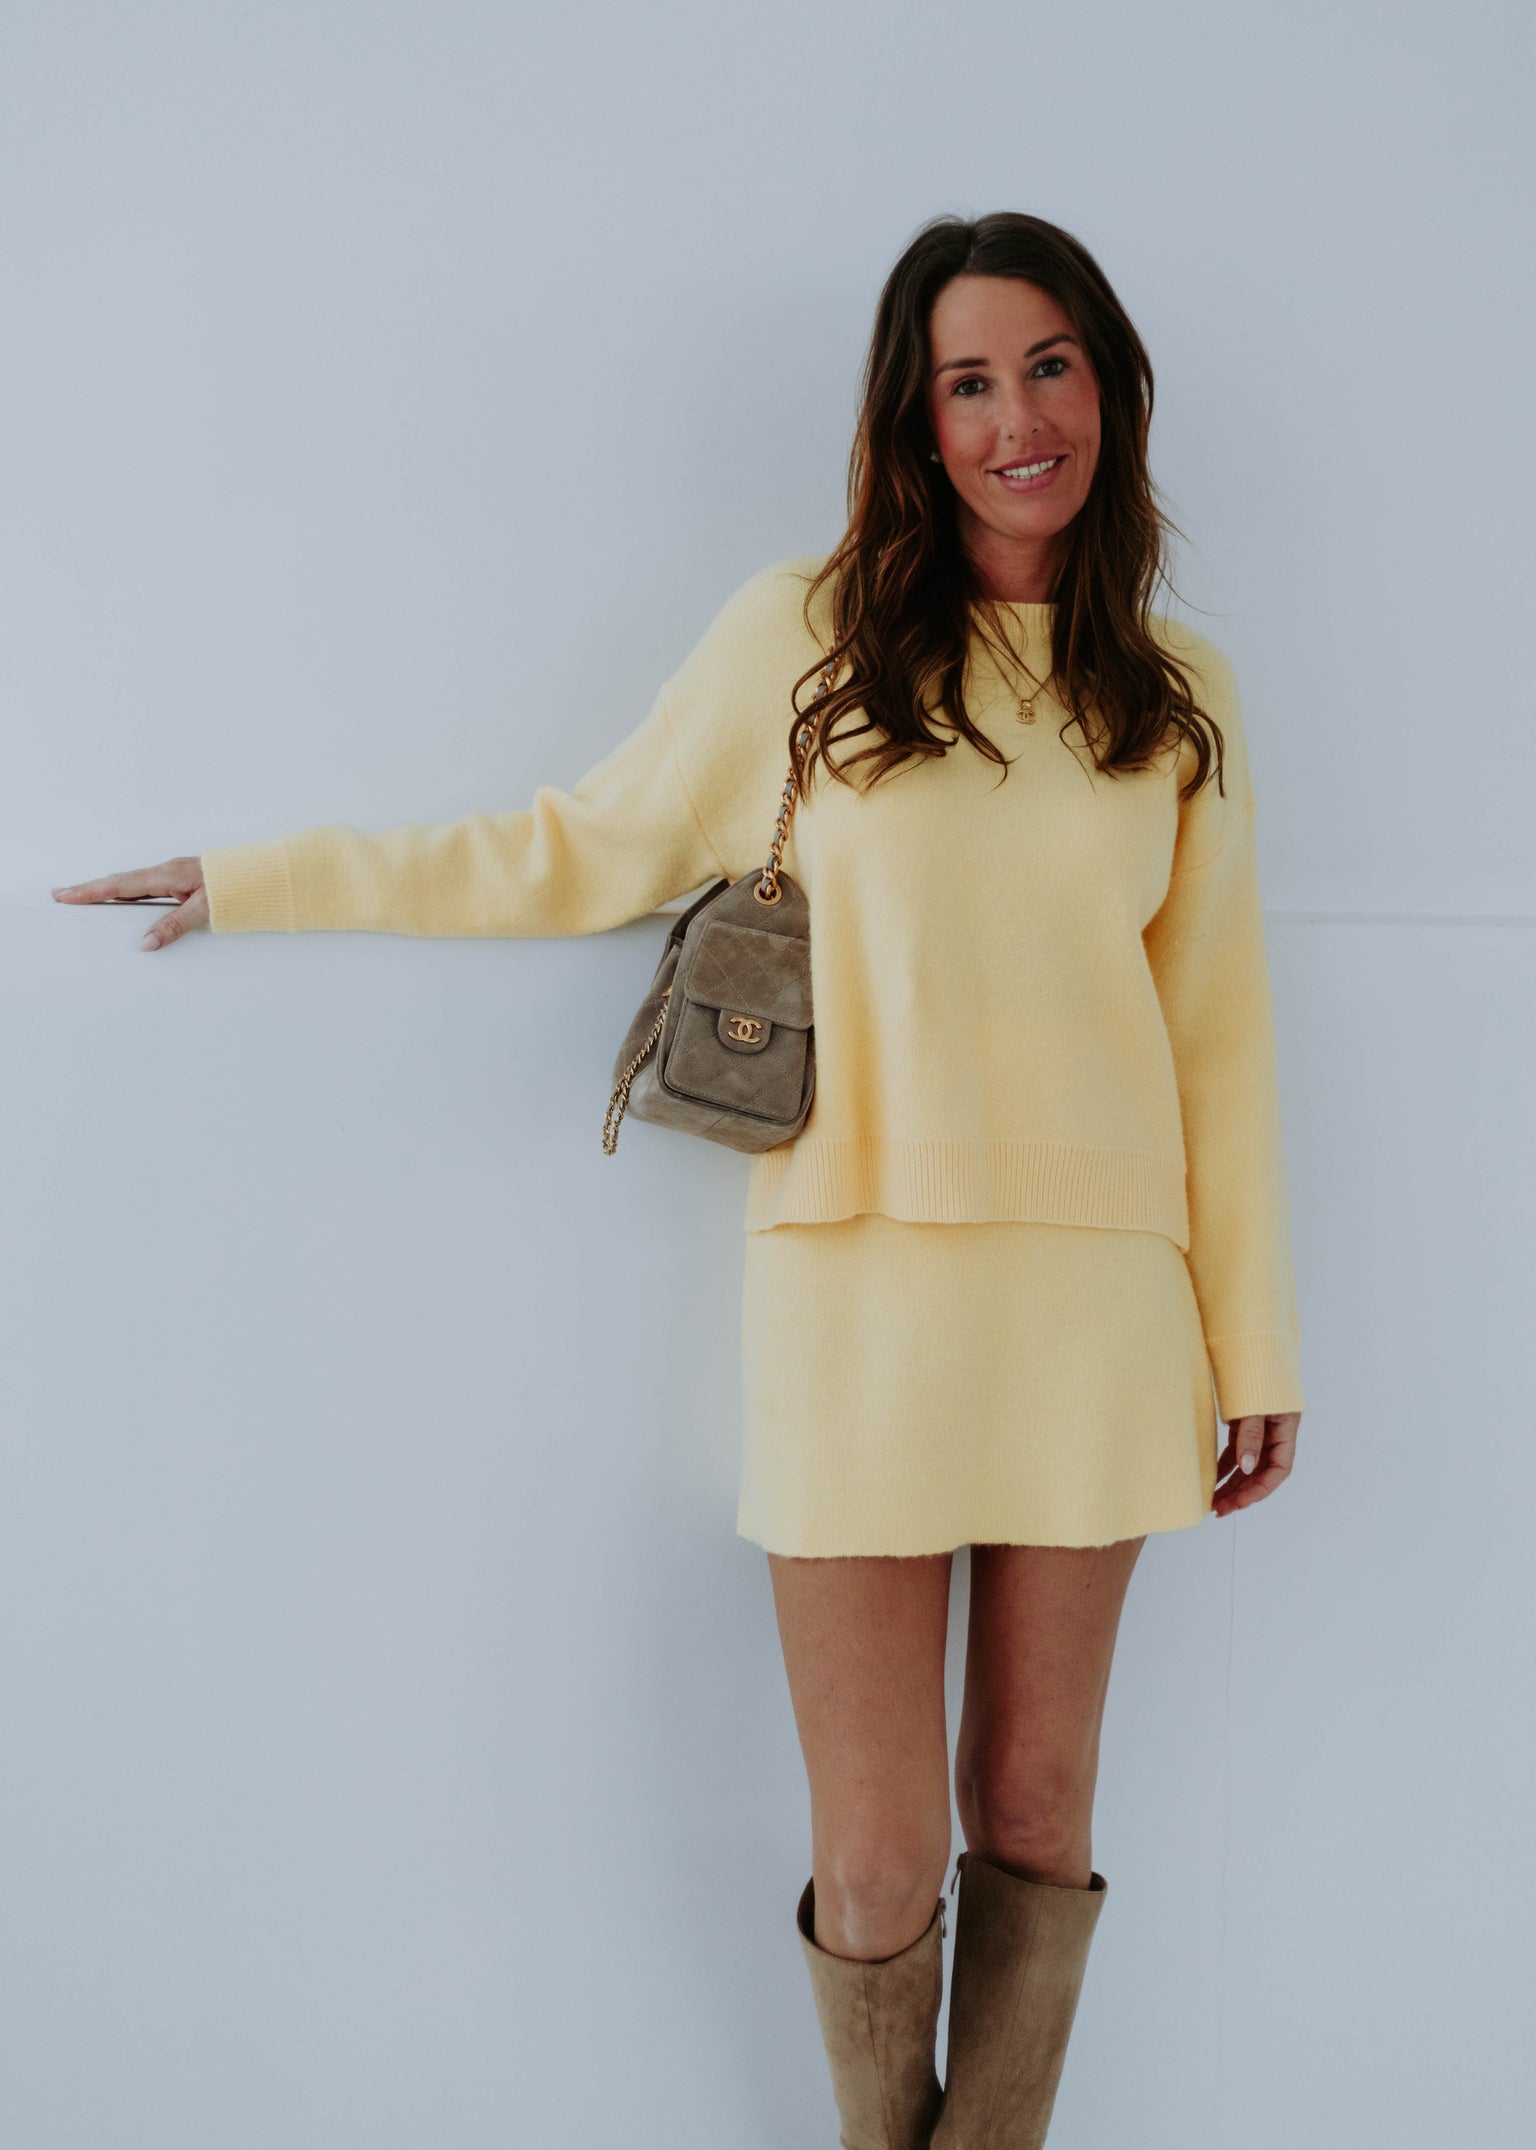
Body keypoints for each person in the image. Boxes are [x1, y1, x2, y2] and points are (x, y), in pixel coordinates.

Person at [52, 210, 1307, 2148]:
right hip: (857, 1302)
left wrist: (1255, 1340)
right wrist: (257, 875)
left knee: (1036, 1808)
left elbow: (1218, 1034)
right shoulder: (806, 639)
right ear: (915, 419)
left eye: (1050, 366)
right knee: (879, 1853)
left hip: (1100, 1313)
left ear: (1112, 388)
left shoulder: (1178, 691)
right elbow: (568, 849)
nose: (1018, 419)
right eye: (969, 382)